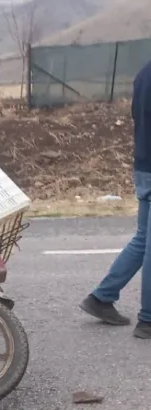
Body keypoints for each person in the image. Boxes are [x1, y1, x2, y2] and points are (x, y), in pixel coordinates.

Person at [80, 57, 151, 338]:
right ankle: (148, 319)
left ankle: (102, 297)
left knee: (143, 239)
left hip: (143, 165)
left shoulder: (143, 72)